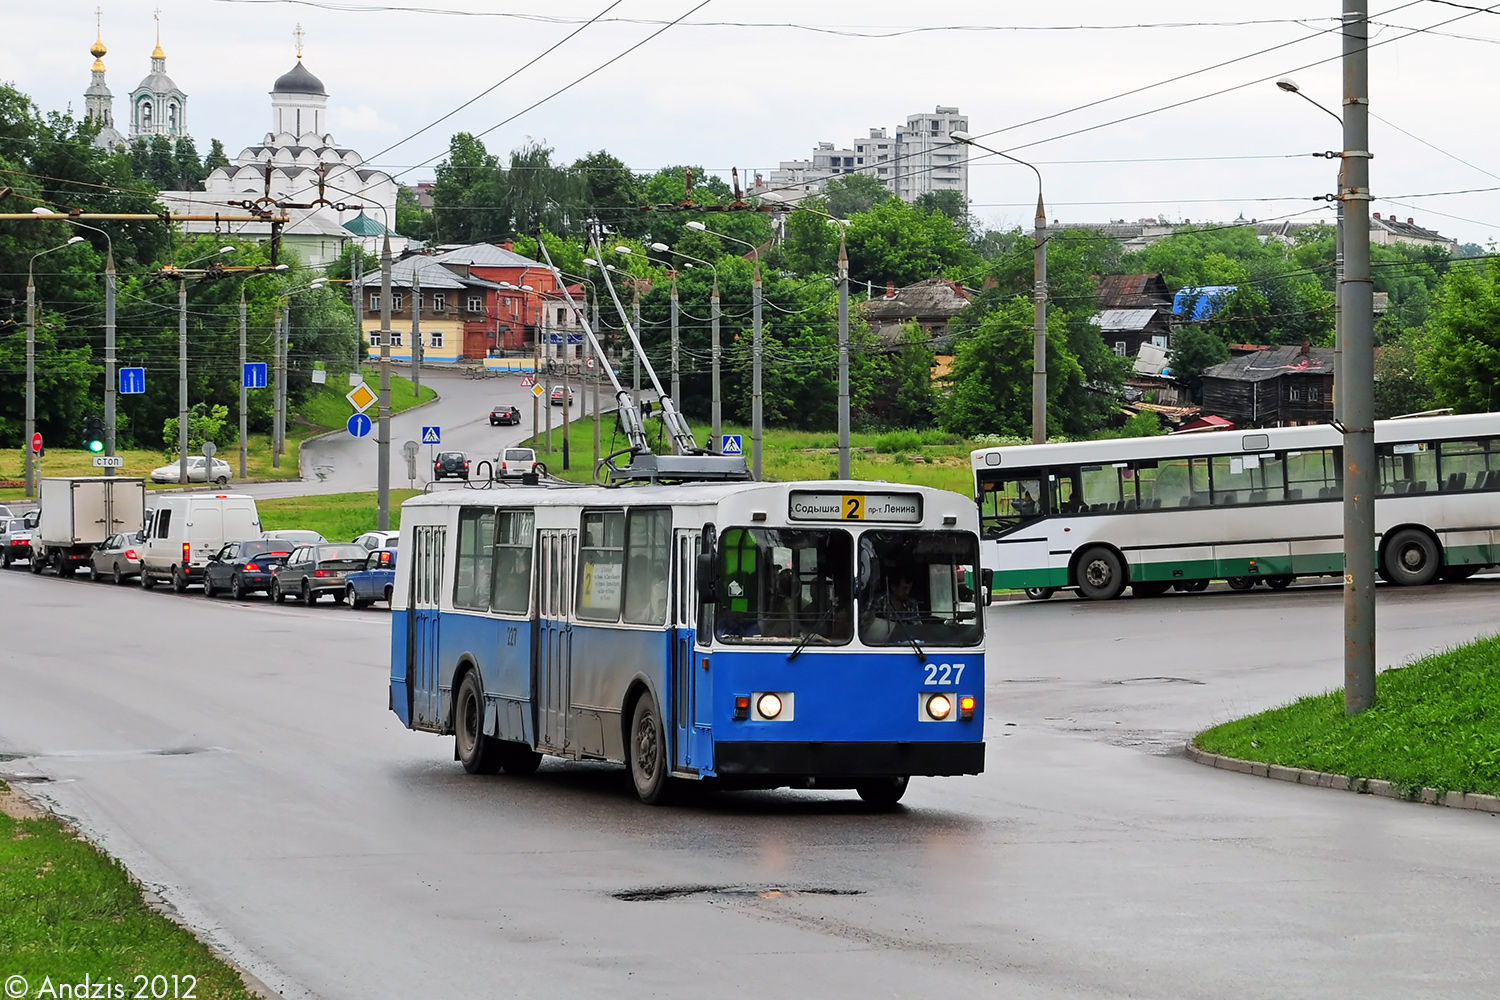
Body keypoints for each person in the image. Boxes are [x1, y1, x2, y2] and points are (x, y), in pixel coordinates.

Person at [862, 570, 923, 643]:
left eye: (909, 589)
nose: (907, 592)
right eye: (904, 588)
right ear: (894, 587)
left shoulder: (912, 603)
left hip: (906, 644)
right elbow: (865, 623)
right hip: (880, 644)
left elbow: (917, 627)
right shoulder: (879, 600)